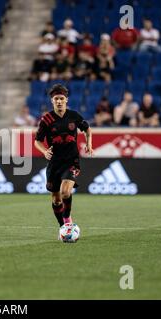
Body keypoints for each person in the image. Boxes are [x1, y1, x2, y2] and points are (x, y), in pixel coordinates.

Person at [34, 84, 92, 238]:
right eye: (56, 99)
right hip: (54, 163)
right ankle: (63, 227)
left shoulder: (74, 116)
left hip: (71, 161)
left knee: (66, 192)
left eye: (61, 98)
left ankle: (67, 222)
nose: (59, 101)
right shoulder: (46, 119)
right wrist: (44, 151)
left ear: (66, 100)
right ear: (52, 101)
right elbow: (37, 141)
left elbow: (87, 128)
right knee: (56, 198)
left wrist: (89, 143)